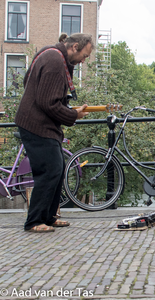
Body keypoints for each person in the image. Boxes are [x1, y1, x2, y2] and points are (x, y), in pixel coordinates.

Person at [15, 33, 93, 233]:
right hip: (36, 125)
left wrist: (70, 111)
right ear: (75, 46)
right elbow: (48, 103)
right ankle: (34, 221)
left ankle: (49, 217)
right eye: (84, 55)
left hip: (40, 123)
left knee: (58, 168)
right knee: (49, 170)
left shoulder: (51, 54)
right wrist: (72, 115)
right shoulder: (55, 61)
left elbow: (32, 85)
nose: (84, 61)